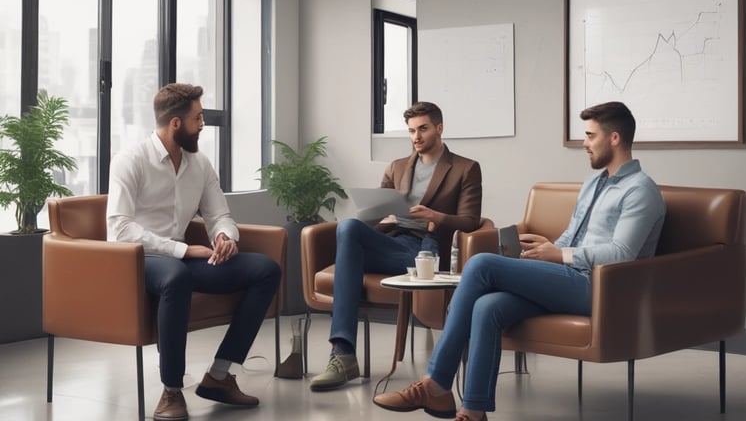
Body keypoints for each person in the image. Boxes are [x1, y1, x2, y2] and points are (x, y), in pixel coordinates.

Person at [373, 101, 666, 421]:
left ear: (614, 138)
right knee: (488, 307)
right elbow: (573, 236)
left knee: (482, 264)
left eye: (590, 136)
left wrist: (560, 255)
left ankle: (437, 383)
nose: (584, 143)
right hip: (568, 277)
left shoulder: (641, 190)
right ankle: (473, 410)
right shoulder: (594, 183)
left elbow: (623, 254)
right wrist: (550, 247)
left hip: (600, 288)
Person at [106, 83, 281, 421]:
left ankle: (218, 376)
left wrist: (225, 238)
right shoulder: (131, 160)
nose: (203, 124)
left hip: (184, 259)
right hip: (139, 260)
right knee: (177, 275)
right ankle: (171, 391)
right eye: (197, 118)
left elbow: (219, 215)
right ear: (175, 123)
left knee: (265, 269)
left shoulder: (199, 163)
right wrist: (183, 250)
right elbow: (120, 229)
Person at [309, 101, 483, 392]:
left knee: (349, 246)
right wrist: (383, 218)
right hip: (392, 242)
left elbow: (471, 221)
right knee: (349, 226)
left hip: (425, 250)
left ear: (439, 129)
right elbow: (377, 217)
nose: (416, 136)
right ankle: (342, 354)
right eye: (412, 130)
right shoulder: (397, 167)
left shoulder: (466, 169)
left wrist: (434, 217)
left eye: (423, 129)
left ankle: (342, 355)